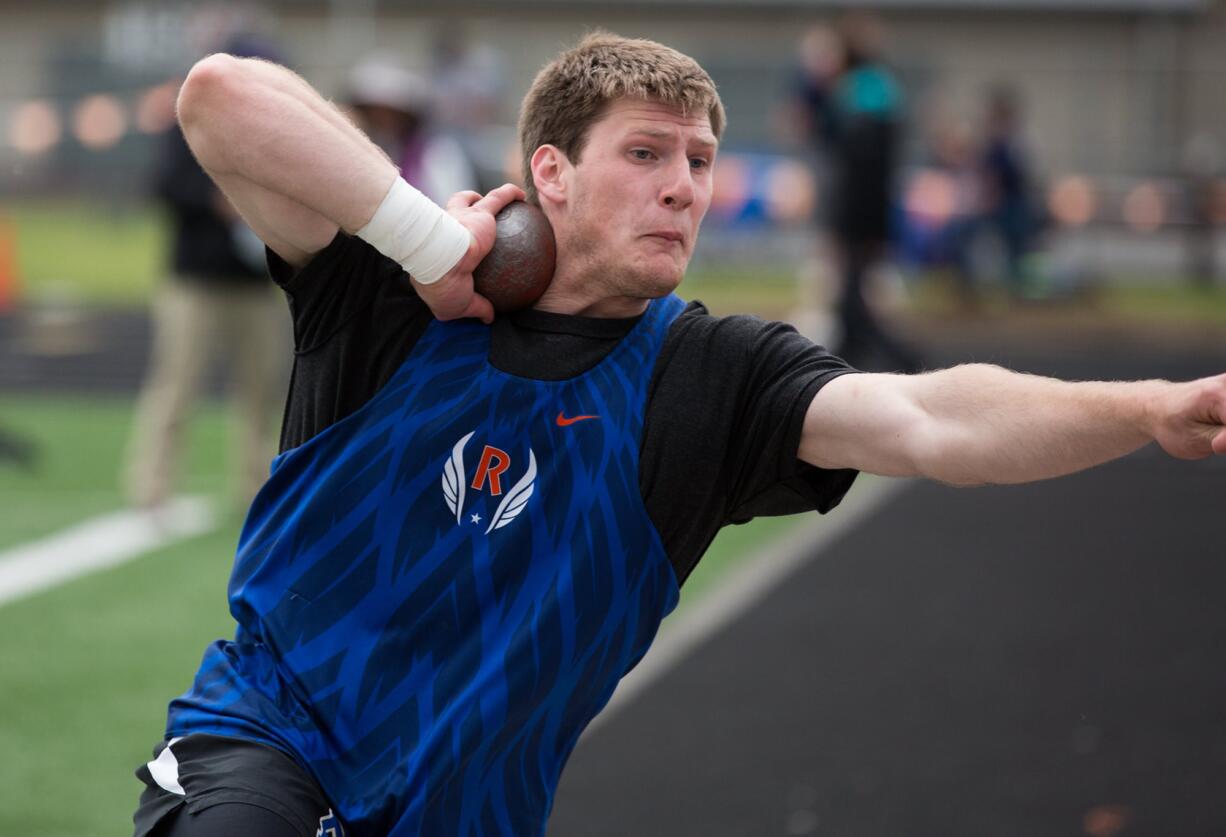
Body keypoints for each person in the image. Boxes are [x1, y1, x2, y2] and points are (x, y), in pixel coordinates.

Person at [131, 32, 1226, 837]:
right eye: (645, 155)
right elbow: (220, 98)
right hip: (267, 741)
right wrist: (422, 242)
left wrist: (1142, 408)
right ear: (549, 173)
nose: (683, 190)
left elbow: (929, 416)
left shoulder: (710, 377)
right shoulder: (388, 292)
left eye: (699, 161)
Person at [123, 38, 290, 512]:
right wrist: (217, 201)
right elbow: (165, 185)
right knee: (175, 386)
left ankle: (258, 490)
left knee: (263, 391)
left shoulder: (276, 130)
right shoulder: (187, 121)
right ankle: (151, 488)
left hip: (257, 283)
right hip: (196, 281)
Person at [823, 14, 924, 373]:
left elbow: (855, 154)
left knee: (852, 291)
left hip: (860, 204)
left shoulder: (858, 88)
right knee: (852, 290)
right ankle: (847, 352)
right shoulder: (880, 86)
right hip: (872, 202)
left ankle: (899, 358)